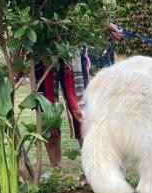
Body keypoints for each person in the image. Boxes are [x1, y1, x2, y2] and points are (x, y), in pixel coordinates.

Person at [36, 23, 123, 167]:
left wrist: (105, 24)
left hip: (74, 44)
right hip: (41, 45)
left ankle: (94, 171)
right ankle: (55, 172)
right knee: (48, 111)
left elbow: (89, 10)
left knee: (81, 109)